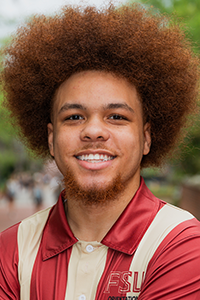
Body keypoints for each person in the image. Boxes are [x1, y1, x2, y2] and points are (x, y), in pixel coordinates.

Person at [0, 3, 200, 300]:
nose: (93, 131)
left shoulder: (182, 244)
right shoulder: (11, 248)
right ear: (52, 140)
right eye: (74, 117)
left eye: (117, 116)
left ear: (146, 138)